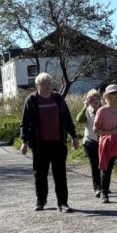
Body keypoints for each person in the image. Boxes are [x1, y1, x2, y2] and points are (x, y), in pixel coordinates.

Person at [19, 72, 80, 212]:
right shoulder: (31, 100)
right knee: (40, 174)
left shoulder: (57, 98)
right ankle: (41, 200)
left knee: (60, 174)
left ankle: (62, 203)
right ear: (37, 85)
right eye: (43, 84)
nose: (47, 86)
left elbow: (67, 118)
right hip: (40, 145)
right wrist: (24, 141)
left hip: (58, 143)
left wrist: (74, 137)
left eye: (49, 83)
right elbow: (24, 123)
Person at [75, 89, 103, 197]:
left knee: (104, 164)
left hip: (104, 141)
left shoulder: (105, 109)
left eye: (97, 98)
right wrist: (84, 106)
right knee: (95, 165)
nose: (95, 101)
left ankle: (104, 185)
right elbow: (79, 119)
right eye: (92, 99)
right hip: (90, 141)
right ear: (89, 101)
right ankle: (97, 188)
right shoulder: (87, 110)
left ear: (100, 99)